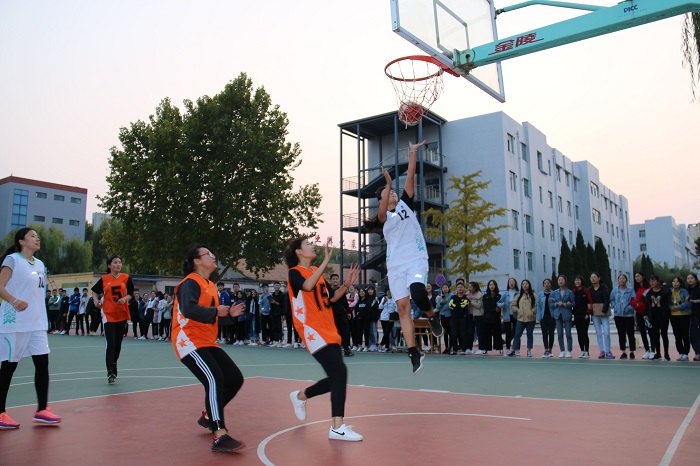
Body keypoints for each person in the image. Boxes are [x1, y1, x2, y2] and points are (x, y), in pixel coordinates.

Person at [372, 140, 443, 373]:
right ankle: (414, 352)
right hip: (395, 267)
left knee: (418, 293)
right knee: (403, 308)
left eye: (393, 191)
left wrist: (412, 153)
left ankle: (432, 316)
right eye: (388, 192)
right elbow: (381, 213)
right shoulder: (384, 219)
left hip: (415, 260)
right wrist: (387, 184)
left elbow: (410, 177)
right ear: (382, 200)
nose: (392, 192)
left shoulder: (405, 205)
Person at [285, 238, 363, 441]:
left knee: (337, 377)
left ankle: (301, 396)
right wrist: (325, 262)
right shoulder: (294, 273)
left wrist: (347, 284)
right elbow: (307, 286)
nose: (312, 246)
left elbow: (332, 298)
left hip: (329, 329)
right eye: (308, 244)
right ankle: (337, 427)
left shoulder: (315, 272)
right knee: (340, 372)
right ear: (298, 252)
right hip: (311, 329)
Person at [171, 245, 246, 453]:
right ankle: (219, 434)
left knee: (234, 378)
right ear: (196, 261)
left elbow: (212, 315)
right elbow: (189, 309)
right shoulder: (190, 283)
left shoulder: (211, 285)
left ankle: (208, 416)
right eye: (208, 254)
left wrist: (229, 314)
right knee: (214, 378)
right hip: (188, 341)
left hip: (207, 340)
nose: (213, 257)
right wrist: (216, 312)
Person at [0, 228, 62, 429]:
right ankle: (0, 413)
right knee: (9, 366)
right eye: (32, 236)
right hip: (15, 323)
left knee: (42, 363)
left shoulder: (40, 264)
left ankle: (42, 410)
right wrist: (14, 300)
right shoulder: (12, 260)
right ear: (21, 241)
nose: (37, 239)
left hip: (37, 324)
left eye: (37, 236)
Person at [91, 255, 134, 383]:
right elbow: (94, 291)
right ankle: (110, 371)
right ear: (109, 265)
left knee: (118, 344)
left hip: (121, 314)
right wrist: (95, 300)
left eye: (120, 262)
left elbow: (131, 293)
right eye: (115, 262)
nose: (118, 264)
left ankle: (114, 363)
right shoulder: (104, 279)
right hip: (108, 314)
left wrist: (124, 299)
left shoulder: (126, 277)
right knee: (110, 343)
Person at [644, 275, 671, 361]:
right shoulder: (649, 293)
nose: (652, 283)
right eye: (650, 281)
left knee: (664, 335)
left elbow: (668, 293)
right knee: (655, 335)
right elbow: (647, 304)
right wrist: (645, 314)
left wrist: (664, 285)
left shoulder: (664, 291)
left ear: (658, 281)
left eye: (654, 280)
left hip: (663, 316)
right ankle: (658, 353)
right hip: (653, 317)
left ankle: (666, 354)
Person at [507, 279, 536, 357]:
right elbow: (513, 305)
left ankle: (529, 350)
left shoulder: (533, 295)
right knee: (517, 334)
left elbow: (536, 305)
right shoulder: (519, 295)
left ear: (529, 285)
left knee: (529, 335)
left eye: (526, 284)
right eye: (523, 284)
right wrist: (518, 310)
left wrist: (532, 311)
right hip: (520, 319)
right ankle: (513, 349)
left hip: (531, 319)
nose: (525, 285)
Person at [610, 274, 636, 359]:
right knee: (621, 333)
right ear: (618, 280)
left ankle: (632, 351)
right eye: (620, 278)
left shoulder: (630, 290)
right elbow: (612, 299)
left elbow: (634, 300)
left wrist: (629, 308)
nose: (621, 280)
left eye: (623, 278)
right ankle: (623, 351)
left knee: (630, 333)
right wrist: (615, 306)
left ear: (626, 280)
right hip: (618, 315)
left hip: (628, 315)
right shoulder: (615, 290)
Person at [328, 273, 353, 357]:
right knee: (333, 333)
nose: (335, 280)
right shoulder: (328, 291)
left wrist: (348, 312)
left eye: (336, 279)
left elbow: (345, 302)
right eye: (333, 279)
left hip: (342, 315)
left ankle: (346, 349)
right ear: (331, 281)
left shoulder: (341, 290)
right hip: (331, 315)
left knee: (345, 332)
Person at [589, 272, 613, 359]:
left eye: (595, 277)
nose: (593, 279)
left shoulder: (604, 288)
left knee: (606, 332)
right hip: (595, 313)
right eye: (591, 277)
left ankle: (608, 350)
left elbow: (606, 299)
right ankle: (602, 350)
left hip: (604, 313)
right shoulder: (590, 289)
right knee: (598, 333)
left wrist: (604, 311)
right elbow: (589, 300)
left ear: (599, 278)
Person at [550, 275, 575, 358]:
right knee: (560, 334)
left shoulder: (569, 292)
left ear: (565, 281)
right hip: (557, 315)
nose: (560, 281)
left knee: (568, 334)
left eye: (562, 280)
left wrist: (565, 304)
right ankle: (562, 350)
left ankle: (569, 351)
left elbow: (573, 303)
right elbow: (551, 304)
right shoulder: (554, 293)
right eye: (559, 280)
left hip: (566, 314)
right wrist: (556, 304)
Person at [669, 277, 691, 361]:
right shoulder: (670, 292)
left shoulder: (684, 292)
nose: (675, 283)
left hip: (684, 315)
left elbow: (687, 303)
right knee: (677, 335)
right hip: (673, 316)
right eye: (674, 281)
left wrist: (678, 307)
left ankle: (685, 353)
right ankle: (680, 352)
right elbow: (666, 302)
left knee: (685, 334)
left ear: (680, 283)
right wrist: (670, 308)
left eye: (677, 281)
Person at [631, 272, 653, 359]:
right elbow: (632, 299)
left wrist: (640, 304)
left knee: (651, 332)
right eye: (636, 276)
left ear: (643, 277)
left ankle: (653, 350)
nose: (637, 278)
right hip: (639, 313)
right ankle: (647, 350)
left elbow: (648, 301)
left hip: (647, 313)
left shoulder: (648, 288)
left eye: (639, 276)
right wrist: (635, 303)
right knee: (642, 332)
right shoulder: (635, 289)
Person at [479, 280, 502, 355]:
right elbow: (486, 306)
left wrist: (499, 308)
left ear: (495, 286)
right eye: (490, 285)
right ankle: (486, 349)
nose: (491, 286)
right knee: (487, 334)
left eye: (493, 284)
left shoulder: (499, 296)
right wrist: (495, 309)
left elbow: (500, 305)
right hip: (487, 317)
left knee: (497, 334)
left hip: (496, 318)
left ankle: (500, 348)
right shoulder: (485, 296)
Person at [572, 275, 592, 358]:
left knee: (584, 333)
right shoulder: (573, 292)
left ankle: (587, 351)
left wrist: (588, 313)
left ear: (582, 281)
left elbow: (590, 302)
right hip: (576, 315)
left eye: (578, 280)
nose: (577, 282)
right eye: (576, 280)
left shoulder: (586, 291)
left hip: (585, 316)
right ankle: (582, 350)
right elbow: (571, 302)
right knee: (579, 333)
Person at [497, 278, 519, 355]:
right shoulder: (505, 293)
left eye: (513, 282)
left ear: (515, 283)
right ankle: (508, 348)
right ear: (508, 284)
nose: (511, 283)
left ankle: (517, 349)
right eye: (510, 282)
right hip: (507, 315)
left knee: (517, 332)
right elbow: (498, 303)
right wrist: (503, 304)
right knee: (508, 332)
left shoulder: (518, 293)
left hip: (516, 315)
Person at [449, 279, 469, 355]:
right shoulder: (453, 297)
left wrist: (456, 306)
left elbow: (463, 305)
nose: (460, 288)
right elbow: (451, 306)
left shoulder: (466, 297)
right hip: (454, 318)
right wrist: (457, 306)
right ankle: (454, 350)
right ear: (456, 289)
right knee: (454, 334)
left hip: (463, 318)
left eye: (461, 287)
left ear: (464, 288)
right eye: (458, 287)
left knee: (463, 334)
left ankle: (463, 349)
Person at [537, 279, 556, 358]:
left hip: (552, 316)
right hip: (543, 317)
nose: (547, 284)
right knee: (544, 333)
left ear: (551, 284)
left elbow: (556, 303)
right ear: (543, 285)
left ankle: (550, 349)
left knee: (551, 333)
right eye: (545, 283)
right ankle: (546, 349)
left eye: (548, 283)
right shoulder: (540, 294)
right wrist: (539, 316)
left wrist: (553, 300)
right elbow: (538, 306)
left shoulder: (554, 293)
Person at [686, 273, 700, 361]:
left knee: (697, 335)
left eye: (691, 278)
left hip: (698, 316)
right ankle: (698, 353)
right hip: (691, 316)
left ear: (696, 279)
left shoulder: (698, 289)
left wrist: (689, 299)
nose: (689, 280)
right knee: (693, 336)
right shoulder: (687, 290)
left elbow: (697, 300)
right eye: (688, 278)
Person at [435, 284, 453, 354]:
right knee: (445, 332)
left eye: (446, 287)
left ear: (449, 288)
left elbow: (449, 305)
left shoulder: (451, 296)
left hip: (449, 315)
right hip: (442, 315)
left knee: (450, 331)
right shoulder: (440, 297)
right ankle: (446, 347)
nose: (444, 289)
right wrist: (441, 303)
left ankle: (451, 347)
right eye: (443, 288)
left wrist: (443, 306)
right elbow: (437, 307)